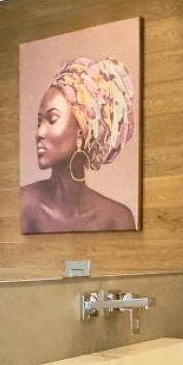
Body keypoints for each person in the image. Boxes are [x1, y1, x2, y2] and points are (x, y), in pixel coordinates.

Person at [20, 56, 139, 233]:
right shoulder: (24, 203)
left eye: (52, 119)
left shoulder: (118, 218)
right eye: (39, 122)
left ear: (82, 130)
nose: (40, 133)